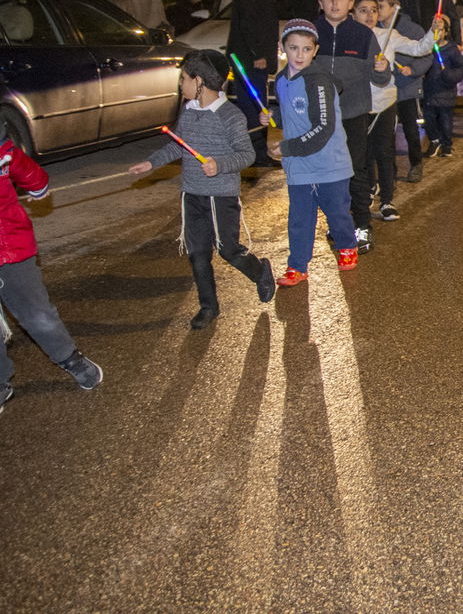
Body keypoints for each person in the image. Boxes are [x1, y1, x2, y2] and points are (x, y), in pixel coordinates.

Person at [128, 50, 275, 328]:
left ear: (199, 81)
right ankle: (208, 307)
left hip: (221, 195)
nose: (180, 84)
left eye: (184, 78)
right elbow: (177, 145)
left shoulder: (230, 116)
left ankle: (260, 272)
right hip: (192, 193)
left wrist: (219, 165)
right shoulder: (189, 111)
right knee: (197, 254)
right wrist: (151, 162)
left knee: (228, 250)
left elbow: (247, 155)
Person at [0, 132, 103, 413]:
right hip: (11, 244)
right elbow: (35, 180)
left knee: (36, 311)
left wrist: (37, 186)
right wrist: (37, 188)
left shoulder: (4, 151)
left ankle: (71, 359)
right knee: (36, 312)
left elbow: (33, 176)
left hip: (8, 247)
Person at [263, 20, 359, 284]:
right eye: (293, 48)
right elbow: (291, 113)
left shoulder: (318, 82)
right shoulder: (281, 80)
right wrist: (274, 117)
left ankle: (347, 246)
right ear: (282, 48)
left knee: (337, 212)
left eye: (306, 49)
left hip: (329, 164)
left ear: (315, 50)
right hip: (299, 166)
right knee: (300, 219)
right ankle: (297, 265)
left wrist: (287, 147)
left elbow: (323, 127)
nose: (299, 55)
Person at [314, 0, 384, 254]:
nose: (335, 3)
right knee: (328, 172)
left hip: (354, 113)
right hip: (321, 115)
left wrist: (382, 69)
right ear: (320, 2)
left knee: (356, 168)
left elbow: (380, 78)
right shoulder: (310, 33)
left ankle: (362, 224)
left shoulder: (363, 35)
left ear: (350, 3)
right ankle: (338, 222)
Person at [355, 0, 437, 221]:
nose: (370, 15)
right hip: (357, 105)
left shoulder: (388, 35)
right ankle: (365, 193)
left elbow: (420, 48)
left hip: (384, 103)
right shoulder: (348, 37)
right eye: (363, 10)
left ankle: (387, 200)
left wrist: (433, 31)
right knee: (362, 153)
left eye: (374, 10)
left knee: (384, 152)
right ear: (353, 12)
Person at [226, 0, 281, 167]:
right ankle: (255, 154)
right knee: (254, 106)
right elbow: (248, 23)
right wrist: (258, 53)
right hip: (251, 60)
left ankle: (257, 152)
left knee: (257, 104)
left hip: (253, 59)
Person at [379, 0, 432, 184]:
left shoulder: (412, 29)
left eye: (380, 7)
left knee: (410, 129)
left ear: (394, 8)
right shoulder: (374, 30)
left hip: (406, 88)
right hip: (385, 89)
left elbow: (426, 55)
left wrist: (413, 69)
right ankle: (389, 171)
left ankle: (416, 164)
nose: (376, 11)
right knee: (387, 132)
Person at [422, 19, 463, 156]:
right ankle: (434, 141)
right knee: (429, 119)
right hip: (430, 90)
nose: (437, 33)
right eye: (435, 29)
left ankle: (446, 144)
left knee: (445, 120)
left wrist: (449, 75)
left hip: (445, 91)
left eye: (440, 30)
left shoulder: (452, 50)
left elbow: (460, 68)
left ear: (446, 32)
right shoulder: (426, 48)